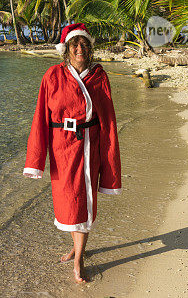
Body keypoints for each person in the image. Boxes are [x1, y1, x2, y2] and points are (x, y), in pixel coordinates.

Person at [23, 23, 121, 284]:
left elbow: (108, 120)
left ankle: (79, 258)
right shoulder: (52, 76)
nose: (80, 48)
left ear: (90, 49)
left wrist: (109, 156)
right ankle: (77, 247)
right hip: (61, 147)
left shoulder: (99, 76)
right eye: (75, 44)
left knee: (84, 201)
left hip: (89, 145)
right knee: (68, 200)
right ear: (66, 49)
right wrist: (35, 160)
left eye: (84, 44)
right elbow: (40, 118)